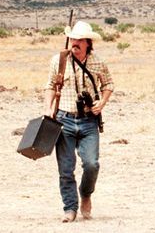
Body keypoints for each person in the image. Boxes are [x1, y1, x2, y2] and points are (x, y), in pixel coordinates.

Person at [44, 20, 114, 223]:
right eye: (73, 38)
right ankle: (70, 208)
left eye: (79, 40)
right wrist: (48, 109)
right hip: (64, 119)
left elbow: (108, 83)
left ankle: (86, 194)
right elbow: (50, 85)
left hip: (88, 121)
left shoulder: (98, 62)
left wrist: (102, 102)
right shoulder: (59, 60)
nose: (75, 43)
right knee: (66, 169)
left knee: (92, 164)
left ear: (88, 43)